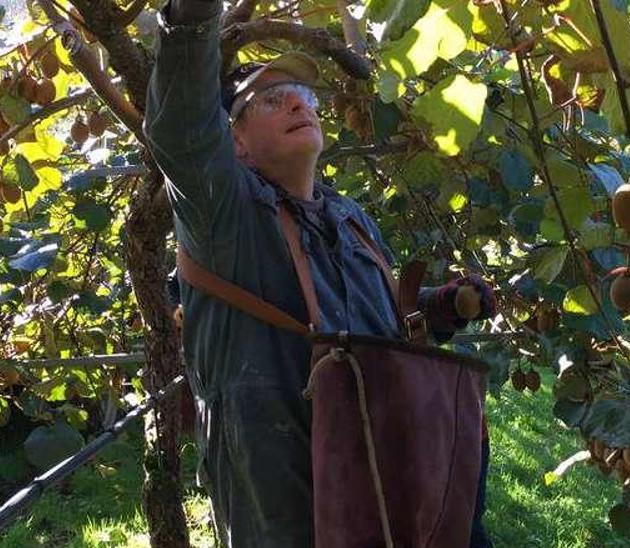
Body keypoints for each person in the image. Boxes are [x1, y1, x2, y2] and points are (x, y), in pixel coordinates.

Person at [144, 1, 497, 545]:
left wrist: (440, 306)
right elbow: (181, 127)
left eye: (303, 96)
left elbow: (371, 319)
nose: (294, 103)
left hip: (384, 487)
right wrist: (192, 17)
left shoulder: (351, 219)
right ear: (234, 140)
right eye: (268, 99)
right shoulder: (225, 217)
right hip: (289, 504)